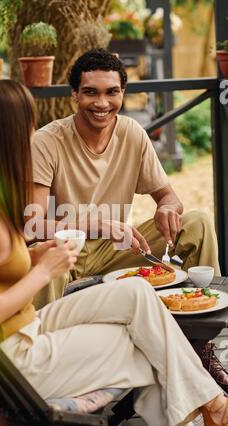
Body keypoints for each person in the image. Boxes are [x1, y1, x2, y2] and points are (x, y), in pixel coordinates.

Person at [0, 80, 228, 426]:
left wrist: (32, 256)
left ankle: (211, 410)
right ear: (9, 132)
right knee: (145, 343)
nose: (32, 136)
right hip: (14, 359)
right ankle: (205, 419)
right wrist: (44, 270)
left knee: (137, 294)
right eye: (27, 125)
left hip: (20, 330)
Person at [30, 48, 228, 393]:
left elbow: (169, 196)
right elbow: (32, 225)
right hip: (67, 251)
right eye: (90, 92)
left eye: (112, 92)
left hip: (119, 249)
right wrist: (97, 224)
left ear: (123, 93)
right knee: (45, 258)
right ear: (74, 94)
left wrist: (168, 206)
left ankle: (201, 346)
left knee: (196, 222)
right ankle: (39, 365)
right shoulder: (47, 141)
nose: (102, 103)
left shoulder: (133, 134)